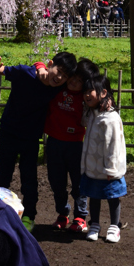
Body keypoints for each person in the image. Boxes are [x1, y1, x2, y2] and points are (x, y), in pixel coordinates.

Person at [0, 51, 76, 230]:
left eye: (65, 76)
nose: (60, 77)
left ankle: (29, 216)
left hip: (31, 138)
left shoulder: (57, 88)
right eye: (59, 71)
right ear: (50, 64)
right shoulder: (24, 73)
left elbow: (81, 81)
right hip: (9, 132)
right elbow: (5, 70)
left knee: (29, 178)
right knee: (3, 174)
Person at [36, 57, 99, 233]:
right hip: (54, 142)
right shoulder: (57, 88)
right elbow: (42, 67)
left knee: (78, 183)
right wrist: (40, 66)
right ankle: (62, 213)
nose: (74, 82)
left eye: (80, 81)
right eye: (73, 77)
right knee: (56, 182)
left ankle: (80, 217)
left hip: (75, 145)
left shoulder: (85, 99)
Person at [80, 74, 127, 243]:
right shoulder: (93, 113)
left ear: (103, 93)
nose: (86, 95)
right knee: (94, 196)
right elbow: (83, 122)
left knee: (112, 197)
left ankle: (114, 226)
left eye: (90, 91)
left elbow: (114, 145)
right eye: (85, 92)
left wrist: (111, 169)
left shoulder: (111, 118)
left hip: (108, 169)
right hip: (93, 166)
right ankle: (95, 224)